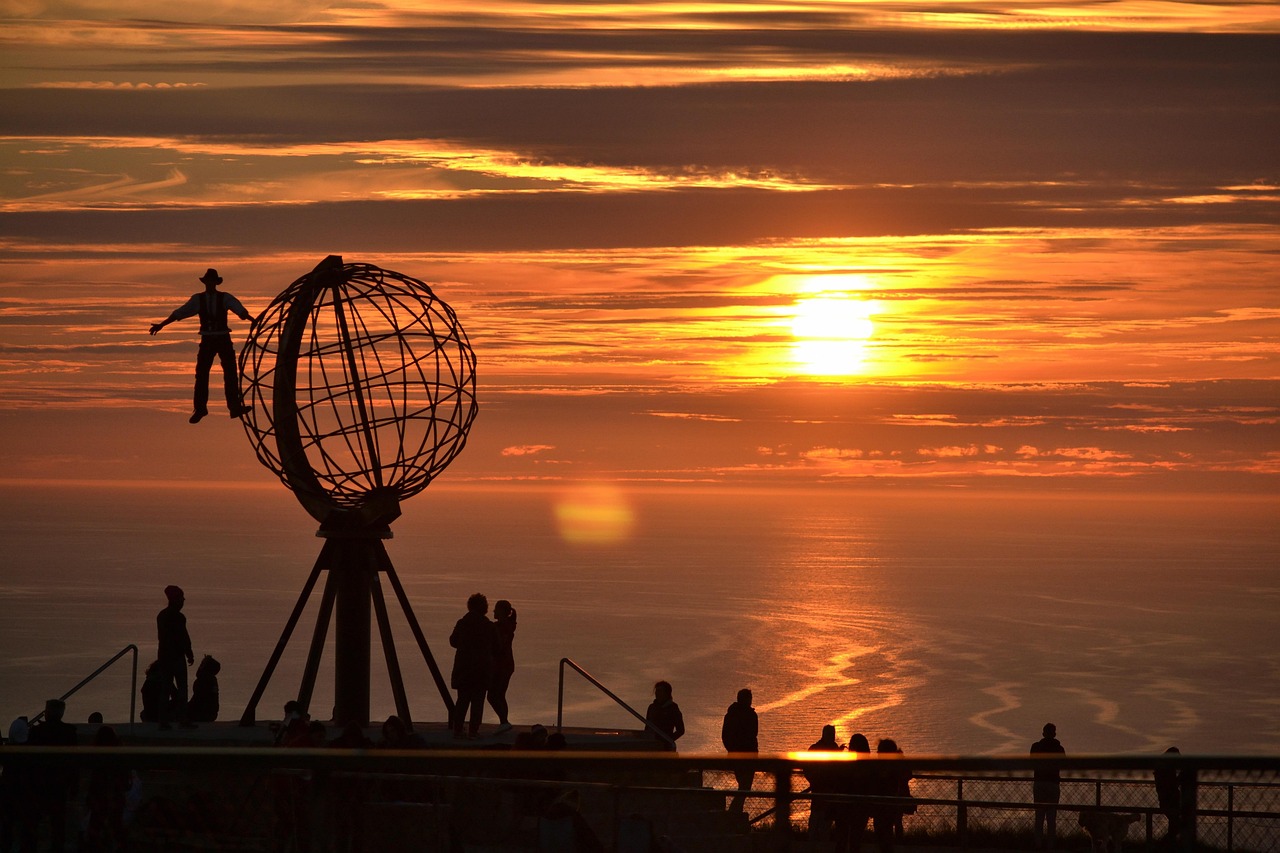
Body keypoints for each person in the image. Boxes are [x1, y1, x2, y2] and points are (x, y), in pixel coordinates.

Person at [149, 267, 253, 423]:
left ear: (215, 283)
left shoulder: (225, 298)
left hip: (223, 338)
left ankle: (234, 407)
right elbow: (180, 312)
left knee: (230, 373)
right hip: (208, 340)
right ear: (206, 283)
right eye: (208, 281)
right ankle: (200, 408)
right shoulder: (198, 299)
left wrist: (252, 320)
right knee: (202, 375)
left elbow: (240, 310)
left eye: (212, 281)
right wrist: (162, 325)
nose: (210, 284)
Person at [29, 699, 78, 853]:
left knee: (33, 820)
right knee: (58, 821)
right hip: (60, 783)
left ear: (47, 712)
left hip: (39, 782)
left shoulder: (36, 731)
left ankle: (31, 847)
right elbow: (73, 760)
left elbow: (30, 760)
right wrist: (73, 783)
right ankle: (57, 848)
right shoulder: (69, 732)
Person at [449, 592, 497, 739]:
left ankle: (457, 729)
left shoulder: (462, 623)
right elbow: (497, 646)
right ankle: (473, 731)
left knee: (462, 700)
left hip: (463, 668)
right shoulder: (488, 626)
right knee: (478, 701)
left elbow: (453, 641)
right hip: (481, 670)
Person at [83, 725, 130, 853]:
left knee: (95, 830)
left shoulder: (98, 757)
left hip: (100, 799)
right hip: (115, 799)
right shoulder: (120, 756)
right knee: (117, 829)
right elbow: (127, 782)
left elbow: (95, 781)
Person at [156, 585, 197, 729]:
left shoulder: (161, 615)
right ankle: (182, 718)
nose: (183, 601)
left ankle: (163, 720)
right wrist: (189, 653)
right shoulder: (178, 617)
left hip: (164, 656)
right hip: (176, 657)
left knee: (165, 688)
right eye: (181, 598)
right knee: (182, 688)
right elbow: (183, 637)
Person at [871, 737, 913, 853]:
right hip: (888, 804)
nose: (877, 754)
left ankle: (894, 845)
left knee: (885, 830)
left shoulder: (889, 769)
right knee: (891, 827)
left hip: (887, 805)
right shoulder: (892, 766)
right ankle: (897, 844)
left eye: (879, 752)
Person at [720, 688, 758, 814]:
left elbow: (725, 736)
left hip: (741, 755)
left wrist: (731, 750)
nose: (750, 701)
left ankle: (735, 812)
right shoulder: (748, 715)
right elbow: (753, 735)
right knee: (745, 787)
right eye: (749, 698)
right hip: (747, 756)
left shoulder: (731, 715)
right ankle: (734, 812)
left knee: (744, 786)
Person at [804, 725, 845, 840]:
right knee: (819, 817)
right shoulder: (822, 748)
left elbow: (806, 768)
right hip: (824, 789)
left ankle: (815, 840)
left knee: (821, 818)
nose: (833, 736)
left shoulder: (815, 748)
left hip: (825, 789)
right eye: (831, 734)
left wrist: (813, 780)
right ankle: (817, 840)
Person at [1031, 722, 1066, 849]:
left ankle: (1037, 845)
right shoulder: (1059, 749)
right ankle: (1051, 846)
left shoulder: (1035, 747)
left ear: (1043, 733)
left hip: (1039, 783)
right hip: (1053, 784)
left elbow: (1032, 763)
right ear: (1054, 734)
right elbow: (1063, 764)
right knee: (1052, 818)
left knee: (1039, 817)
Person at [487, 599, 518, 734]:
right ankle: (504, 722)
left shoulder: (499, 627)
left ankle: (504, 722)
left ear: (501, 612)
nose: (493, 611)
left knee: (493, 696)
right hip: (508, 664)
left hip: (500, 665)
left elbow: (496, 647)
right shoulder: (509, 625)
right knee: (500, 694)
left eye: (496, 609)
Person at [1154, 746, 1185, 845]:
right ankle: (1163, 845)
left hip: (1167, 800)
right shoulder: (1166, 770)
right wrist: (1181, 777)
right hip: (1170, 800)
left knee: (1174, 825)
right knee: (1177, 825)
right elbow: (1172, 784)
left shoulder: (1162, 768)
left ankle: (1167, 845)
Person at [644, 680, 684, 751]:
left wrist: (668, 740)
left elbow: (680, 730)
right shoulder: (652, 707)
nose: (657, 693)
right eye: (656, 691)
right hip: (651, 744)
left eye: (660, 691)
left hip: (665, 746)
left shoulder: (673, 708)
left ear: (667, 693)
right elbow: (647, 727)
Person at [189, 654, 221, 722]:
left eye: (202, 664)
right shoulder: (210, 679)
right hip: (209, 713)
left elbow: (198, 700)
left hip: (204, 714)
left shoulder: (205, 680)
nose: (200, 666)